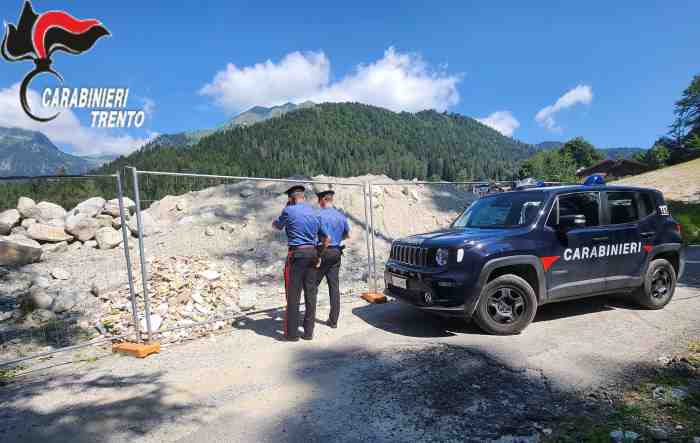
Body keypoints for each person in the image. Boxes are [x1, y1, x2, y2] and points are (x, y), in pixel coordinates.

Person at [272, 185, 322, 341]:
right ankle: (308, 332)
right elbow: (321, 234)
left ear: (291, 198)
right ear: (303, 197)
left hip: (297, 254)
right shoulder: (314, 211)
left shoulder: (289, 210)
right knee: (310, 294)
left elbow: (278, 226)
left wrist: (279, 217)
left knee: (293, 295)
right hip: (312, 253)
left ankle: (292, 334)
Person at [315, 190, 350, 329]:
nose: (318, 203)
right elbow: (347, 235)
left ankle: (309, 318)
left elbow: (313, 234)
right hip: (336, 251)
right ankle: (333, 321)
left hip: (322, 252)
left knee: (312, 285)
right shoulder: (341, 216)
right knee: (334, 287)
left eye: (319, 200)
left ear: (323, 199)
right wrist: (336, 239)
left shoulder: (318, 215)